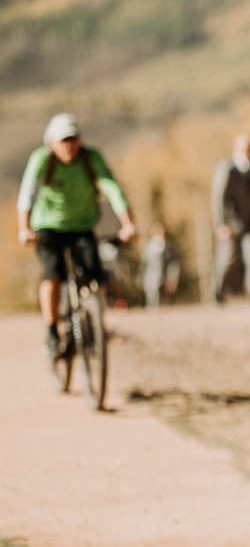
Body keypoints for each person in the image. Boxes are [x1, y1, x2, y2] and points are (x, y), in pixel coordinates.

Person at [16, 113, 137, 361]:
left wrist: (128, 224)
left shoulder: (91, 159)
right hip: (48, 226)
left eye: (73, 139)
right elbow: (27, 192)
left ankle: (93, 326)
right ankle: (52, 331)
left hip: (82, 225)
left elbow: (112, 188)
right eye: (63, 141)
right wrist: (24, 228)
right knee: (52, 275)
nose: (69, 145)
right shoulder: (42, 160)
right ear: (52, 143)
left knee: (94, 275)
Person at [211, 133, 250, 304]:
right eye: (244, 147)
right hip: (231, 223)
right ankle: (217, 291)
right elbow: (218, 197)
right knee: (228, 258)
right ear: (237, 148)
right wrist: (221, 223)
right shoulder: (226, 168)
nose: (247, 151)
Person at [142, 223, 181, 308]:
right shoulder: (148, 247)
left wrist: (172, 279)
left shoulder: (169, 248)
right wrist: (142, 279)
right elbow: (144, 264)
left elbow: (173, 265)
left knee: (166, 305)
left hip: (165, 280)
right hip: (151, 281)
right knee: (152, 303)